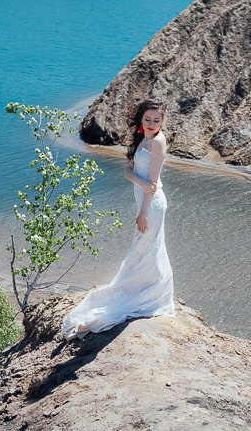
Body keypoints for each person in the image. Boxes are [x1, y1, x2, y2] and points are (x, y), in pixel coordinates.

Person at [60, 100, 176, 341]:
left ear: (163, 121)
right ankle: (144, 288)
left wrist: (143, 212)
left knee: (148, 248)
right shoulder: (140, 140)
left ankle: (150, 294)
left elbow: (152, 184)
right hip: (143, 200)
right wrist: (140, 181)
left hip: (152, 205)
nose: (152, 124)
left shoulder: (158, 141)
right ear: (141, 120)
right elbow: (127, 171)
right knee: (144, 247)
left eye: (157, 120)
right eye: (148, 119)